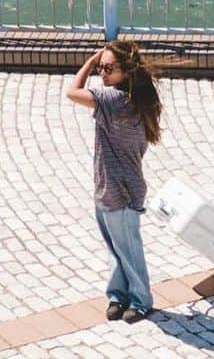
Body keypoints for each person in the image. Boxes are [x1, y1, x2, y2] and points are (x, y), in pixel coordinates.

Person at [66, 40, 162, 324]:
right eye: (100, 68)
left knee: (128, 250)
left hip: (121, 191)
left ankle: (141, 300)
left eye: (108, 68)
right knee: (116, 247)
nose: (103, 73)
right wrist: (99, 62)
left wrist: (88, 62)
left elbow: (72, 92)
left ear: (126, 71)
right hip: (108, 187)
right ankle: (118, 296)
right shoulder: (138, 99)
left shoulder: (115, 101)